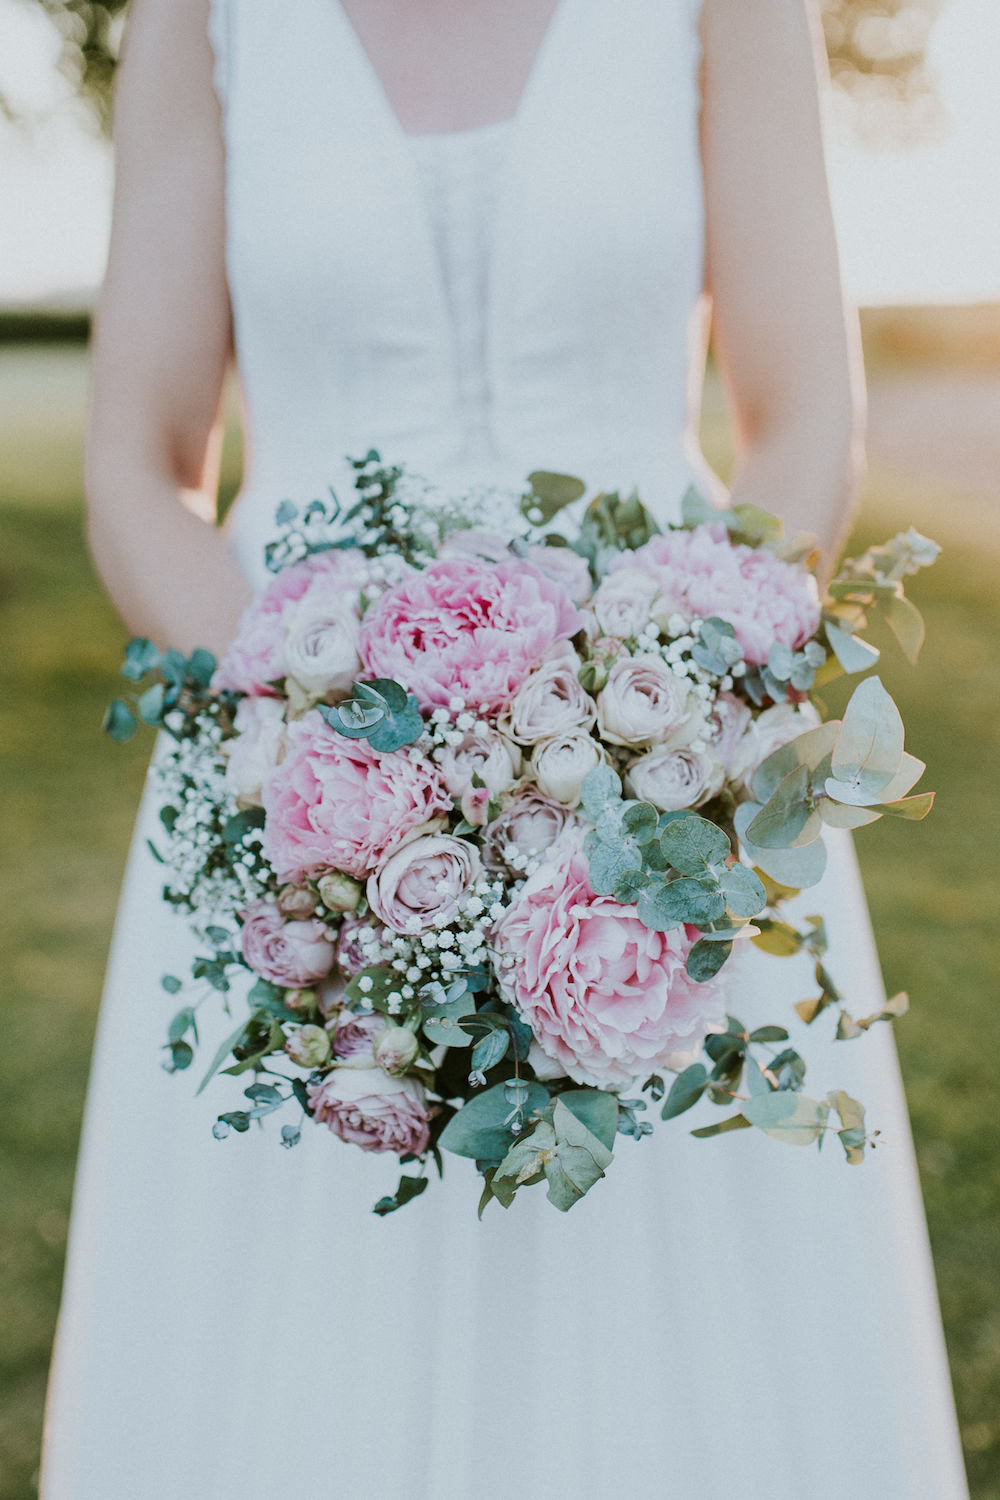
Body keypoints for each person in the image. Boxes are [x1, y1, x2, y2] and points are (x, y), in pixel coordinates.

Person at [42, 2, 970, 1496]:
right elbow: (140, 465)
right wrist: (317, 741)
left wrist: (650, 703)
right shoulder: (199, 17)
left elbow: (803, 420)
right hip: (295, 771)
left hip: (668, 758)